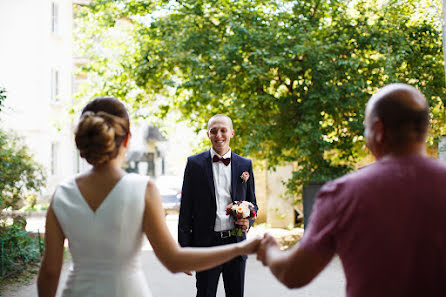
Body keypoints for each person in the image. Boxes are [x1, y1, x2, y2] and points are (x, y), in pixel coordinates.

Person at [37, 98, 260, 297]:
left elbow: (49, 272)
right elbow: (173, 259)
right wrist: (241, 248)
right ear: (127, 140)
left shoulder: (62, 193)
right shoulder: (142, 188)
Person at [257, 83, 446, 297]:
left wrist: (270, 249)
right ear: (425, 129)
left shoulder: (343, 194)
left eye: (365, 127)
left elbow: (293, 274)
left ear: (379, 129)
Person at [178, 114, 258, 297]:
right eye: (214, 131)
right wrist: (184, 252)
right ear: (208, 134)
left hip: (235, 243)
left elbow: (253, 204)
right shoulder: (194, 164)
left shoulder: (245, 164)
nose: (219, 135)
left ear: (232, 133)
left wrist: (248, 222)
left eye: (223, 130)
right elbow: (186, 210)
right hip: (206, 245)